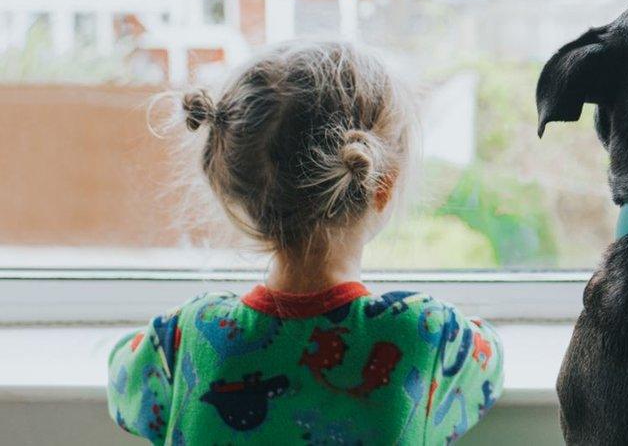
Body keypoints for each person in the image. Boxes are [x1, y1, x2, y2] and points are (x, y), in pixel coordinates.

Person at [107, 41, 503, 445]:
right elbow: (490, 366)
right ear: (381, 186)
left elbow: (123, 384)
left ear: (232, 188)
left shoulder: (187, 337)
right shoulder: (426, 335)